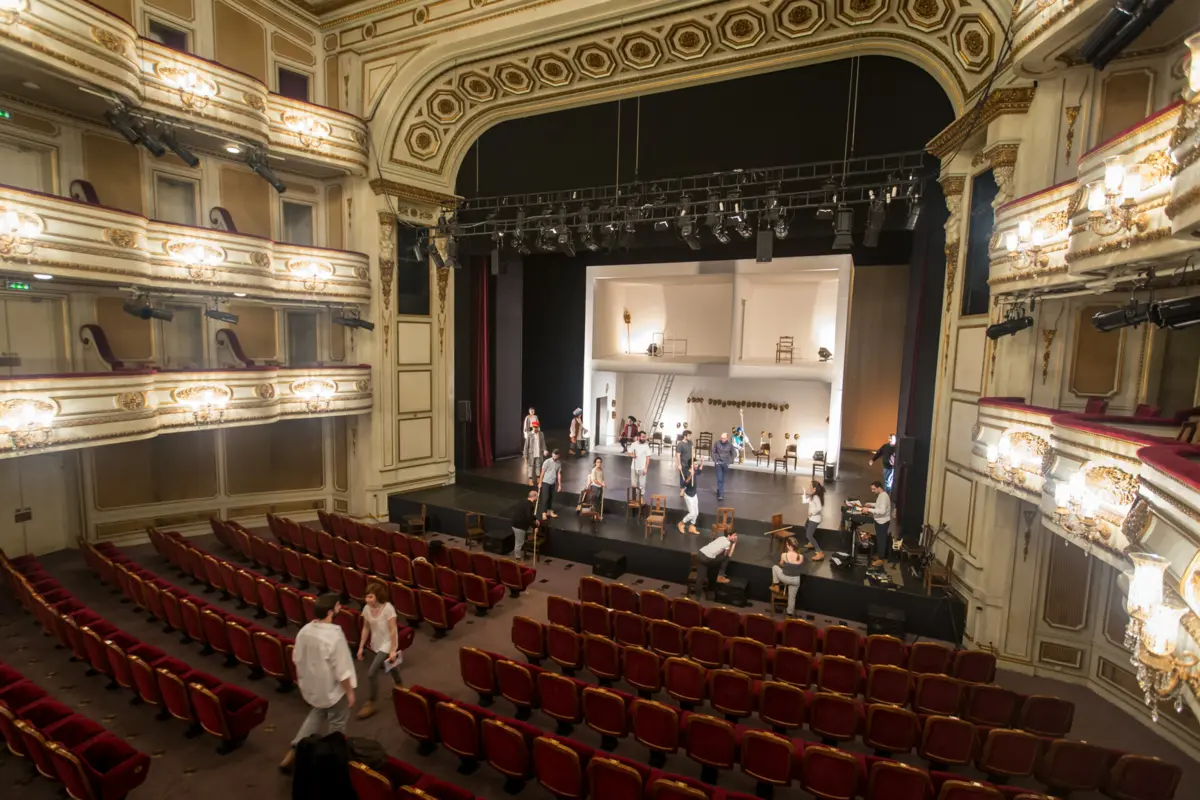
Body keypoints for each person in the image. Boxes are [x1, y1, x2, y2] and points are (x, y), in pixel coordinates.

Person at [280, 593, 356, 773]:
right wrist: (350, 691)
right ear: (330, 612)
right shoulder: (335, 635)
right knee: (337, 723)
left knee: (317, 713)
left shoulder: (305, 630)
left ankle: (295, 749)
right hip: (333, 690)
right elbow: (342, 669)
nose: (340, 608)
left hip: (313, 686)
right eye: (338, 606)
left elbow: (296, 657)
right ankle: (331, 760)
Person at [355, 583, 403, 720]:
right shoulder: (366, 609)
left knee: (371, 673)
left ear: (378, 596)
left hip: (388, 642)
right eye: (366, 596)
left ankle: (371, 702)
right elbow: (365, 628)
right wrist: (360, 647)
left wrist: (393, 649)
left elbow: (393, 630)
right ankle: (400, 686)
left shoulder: (388, 609)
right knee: (392, 665)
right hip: (377, 641)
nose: (367, 600)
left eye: (370, 597)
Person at [771, 537, 806, 616]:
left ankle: (776, 585)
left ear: (789, 546)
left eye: (787, 544)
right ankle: (789, 614)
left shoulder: (784, 555)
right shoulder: (801, 557)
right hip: (796, 580)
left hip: (785, 578)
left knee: (775, 567)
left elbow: (781, 565)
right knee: (792, 598)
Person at [511, 488, 544, 558]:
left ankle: (529, 539)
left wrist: (535, 519)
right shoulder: (529, 505)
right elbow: (528, 517)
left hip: (517, 523)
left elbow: (529, 515)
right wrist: (535, 526)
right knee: (519, 543)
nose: (537, 498)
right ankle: (517, 558)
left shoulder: (523, 501)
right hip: (519, 526)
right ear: (534, 497)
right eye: (537, 497)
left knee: (526, 534)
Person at [868, 480, 893, 568]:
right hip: (879, 521)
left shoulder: (884, 497)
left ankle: (881, 559)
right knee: (879, 539)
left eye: (874, 489)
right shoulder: (881, 495)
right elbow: (879, 505)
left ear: (879, 488)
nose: (872, 491)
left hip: (883, 522)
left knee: (882, 540)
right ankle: (879, 555)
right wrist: (870, 504)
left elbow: (881, 511)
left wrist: (869, 510)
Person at [804, 480, 826, 561]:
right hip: (811, 518)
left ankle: (819, 552)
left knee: (809, 535)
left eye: (810, 486)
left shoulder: (816, 496)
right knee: (806, 526)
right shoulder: (814, 495)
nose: (809, 487)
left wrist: (812, 512)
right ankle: (811, 543)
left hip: (815, 519)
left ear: (814, 488)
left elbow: (819, 508)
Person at [711, 432, 735, 501]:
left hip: (725, 463)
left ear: (727, 438)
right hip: (718, 463)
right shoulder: (717, 443)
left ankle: (719, 489)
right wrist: (716, 461)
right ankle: (721, 494)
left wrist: (729, 462)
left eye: (724, 438)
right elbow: (713, 452)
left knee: (722, 478)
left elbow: (733, 454)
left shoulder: (730, 445)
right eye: (721, 438)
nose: (722, 440)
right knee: (719, 478)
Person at [539, 449, 563, 518]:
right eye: (553, 454)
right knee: (545, 498)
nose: (554, 456)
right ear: (552, 454)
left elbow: (559, 474)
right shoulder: (547, 462)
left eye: (556, 455)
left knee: (550, 498)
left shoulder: (559, 463)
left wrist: (559, 485)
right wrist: (540, 483)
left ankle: (549, 511)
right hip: (546, 482)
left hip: (553, 483)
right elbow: (542, 472)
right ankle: (544, 513)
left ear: (558, 455)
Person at [678, 461, 699, 535]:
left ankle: (691, 527)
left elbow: (700, 469)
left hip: (694, 494)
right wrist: (690, 476)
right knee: (692, 513)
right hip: (688, 495)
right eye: (695, 464)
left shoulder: (695, 471)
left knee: (696, 513)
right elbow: (685, 483)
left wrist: (702, 462)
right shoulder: (687, 472)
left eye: (697, 464)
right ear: (691, 465)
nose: (697, 465)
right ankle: (681, 523)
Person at [523, 420, 547, 487]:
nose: (535, 428)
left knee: (538, 466)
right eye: (534, 427)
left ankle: (538, 478)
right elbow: (526, 445)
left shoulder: (541, 434)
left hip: (538, 453)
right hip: (531, 453)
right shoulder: (530, 434)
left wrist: (544, 450)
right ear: (532, 427)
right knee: (530, 466)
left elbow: (543, 443)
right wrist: (525, 454)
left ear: (538, 427)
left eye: (536, 427)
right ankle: (530, 479)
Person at [629, 430, 651, 499]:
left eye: (645, 437)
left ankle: (641, 497)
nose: (644, 438)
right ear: (638, 437)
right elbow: (629, 452)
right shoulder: (634, 444)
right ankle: (634, 496)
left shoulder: (646, 445)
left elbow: (648, 457)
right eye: (642, 437)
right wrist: (632, 455)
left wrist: (646, 468)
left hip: (642, 468)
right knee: (634, 484)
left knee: (642, 484)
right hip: (634, 467)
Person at [676, 429, 698, 497]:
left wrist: (694, 462)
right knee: (683, 478)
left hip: (690, 464)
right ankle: (682, 490)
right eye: (689, 436)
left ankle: (688, 489)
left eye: (690, 435)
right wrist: (679, 465)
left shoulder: (690, 443)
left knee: (690, 477)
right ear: (685, 436)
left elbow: (693, 452)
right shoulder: (680, 444)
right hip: (683, 464)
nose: (690, 437)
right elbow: (678, 455)